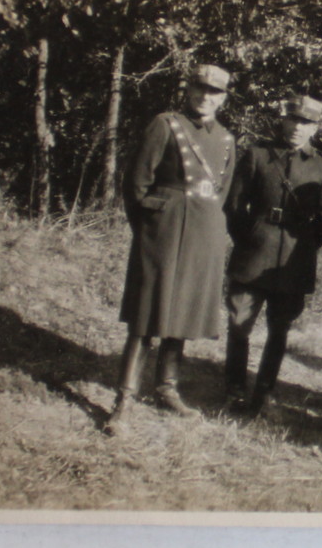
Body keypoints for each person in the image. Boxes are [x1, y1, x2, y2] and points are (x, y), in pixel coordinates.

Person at [109, 64, 236, 429]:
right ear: (188, 90)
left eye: (214, 93)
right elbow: (136, 185)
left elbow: (221, 194)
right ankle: (125, 398)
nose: (206, 97)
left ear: (224, 98)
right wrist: (151, 229)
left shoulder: (227, 139)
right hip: (162, 231)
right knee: (148, 313)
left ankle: (167, 388)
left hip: (204, 233)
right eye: (200, 89)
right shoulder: (165, 125)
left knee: (183, 311)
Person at [223, 95, 322, 417]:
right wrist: (247, 237)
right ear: (283, 120)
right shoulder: (258, 155)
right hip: (254, 251)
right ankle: (234, 386)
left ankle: (265, 391)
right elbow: (234, 204)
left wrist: (306, 246)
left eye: (305, 123)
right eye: (293, 120)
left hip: (293, 260)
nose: (296, 128)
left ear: (315, 128)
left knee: (279, 328)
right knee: (239, 322)